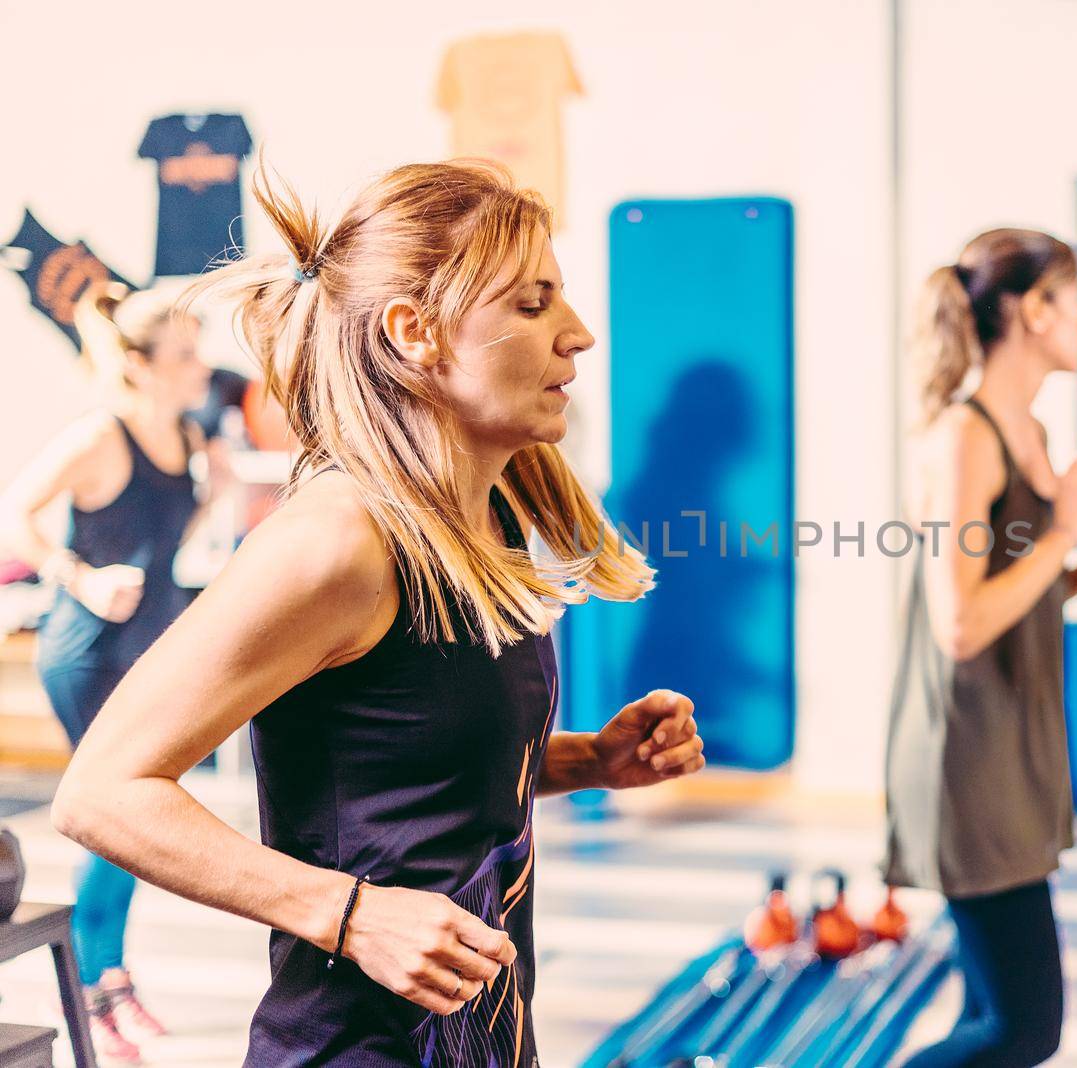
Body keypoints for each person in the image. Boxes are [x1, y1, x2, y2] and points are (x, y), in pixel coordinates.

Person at [49, 161, 706, 1067]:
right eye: (531, 304)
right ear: (415, 333)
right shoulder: (336, 540)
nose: (578, 334)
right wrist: (347, 916)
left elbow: (401, 779)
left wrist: (590, 760)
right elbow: (100, 793)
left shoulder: (483, 512)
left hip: (483, 1033)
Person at [884, 229, 1077, 1067]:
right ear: (1030, 310)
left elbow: (1019, 597)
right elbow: (961, 623)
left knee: (989, 1016)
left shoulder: (1031, 436)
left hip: (1011, 748)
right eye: (1074, 298)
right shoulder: (964, 438)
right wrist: (1069, 533)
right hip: (965, 757)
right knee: (1021, 1029)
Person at [0, 285, 212, 1061]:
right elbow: (14, 511)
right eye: (185, 353)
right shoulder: (101, 435)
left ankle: (109, 976)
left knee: (136, 819)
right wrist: (80, 576)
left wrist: (212, 488)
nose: (200, 366)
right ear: (139, 364)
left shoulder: (188, 436)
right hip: (86, 653)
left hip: (149, 653)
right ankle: (101, 984)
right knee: (126, 820)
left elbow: (169, 531)